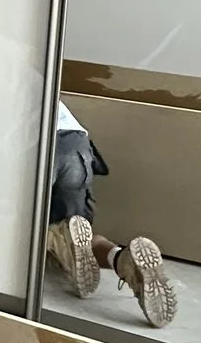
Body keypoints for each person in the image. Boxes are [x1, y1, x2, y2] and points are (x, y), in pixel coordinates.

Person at [44, 100, 176, 327]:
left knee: (26, 234)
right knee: (78, 231)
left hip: (39, 144)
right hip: (76, 145)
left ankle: (55, 238)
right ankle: (122, 259)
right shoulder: (38, 78)